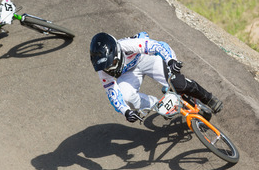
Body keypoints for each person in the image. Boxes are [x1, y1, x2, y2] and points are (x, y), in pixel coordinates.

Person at [89, 32, 223, 123]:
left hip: (146, 60)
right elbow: (112, 93)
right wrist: (126, 112)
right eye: (106, 67)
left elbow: (158, 46)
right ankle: (158, 105)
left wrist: (171, 60)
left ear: (117, 52)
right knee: (126, 97)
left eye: (111, 63)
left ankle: (208, 98)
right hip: (129, 73)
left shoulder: (128, 46)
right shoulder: (103, 70)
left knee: (178, 84)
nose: (109, 69)